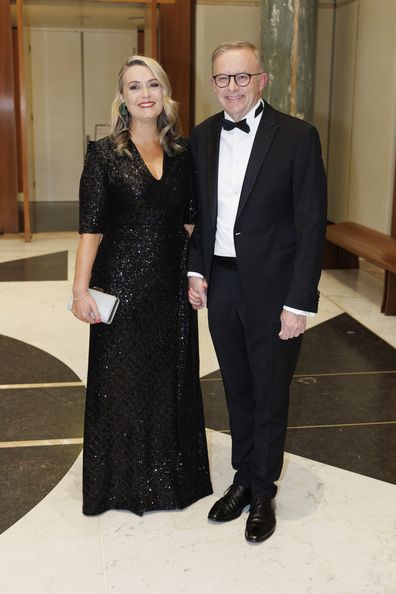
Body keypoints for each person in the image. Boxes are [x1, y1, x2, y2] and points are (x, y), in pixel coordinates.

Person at [188, 41, 327, 543]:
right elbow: (201, 216)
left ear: (261, 79)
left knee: (269, 390)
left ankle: (263, 491)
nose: (232, 88)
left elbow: (312, 226)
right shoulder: (202, 136)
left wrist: (298, 302)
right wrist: (195, 271)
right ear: (213, 83)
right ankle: (242, 478)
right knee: (237, 386)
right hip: (221, 281)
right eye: (222, 79)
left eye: (241, 77)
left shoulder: (297, 137)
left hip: (274, 290)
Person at [71, 55, 212, 516]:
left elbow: (192, 224)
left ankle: (172, 479)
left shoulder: (182, 154)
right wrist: (79, 290)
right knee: (121, 381)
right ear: (123, 98)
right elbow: (90, 228)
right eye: (134, 87)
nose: (145, 93)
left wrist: (199, 273)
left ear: (165, 92)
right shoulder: (104, 153)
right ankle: (120, 485)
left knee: (171, 379)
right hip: (122, 286)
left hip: (171, 287)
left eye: (152, 84)